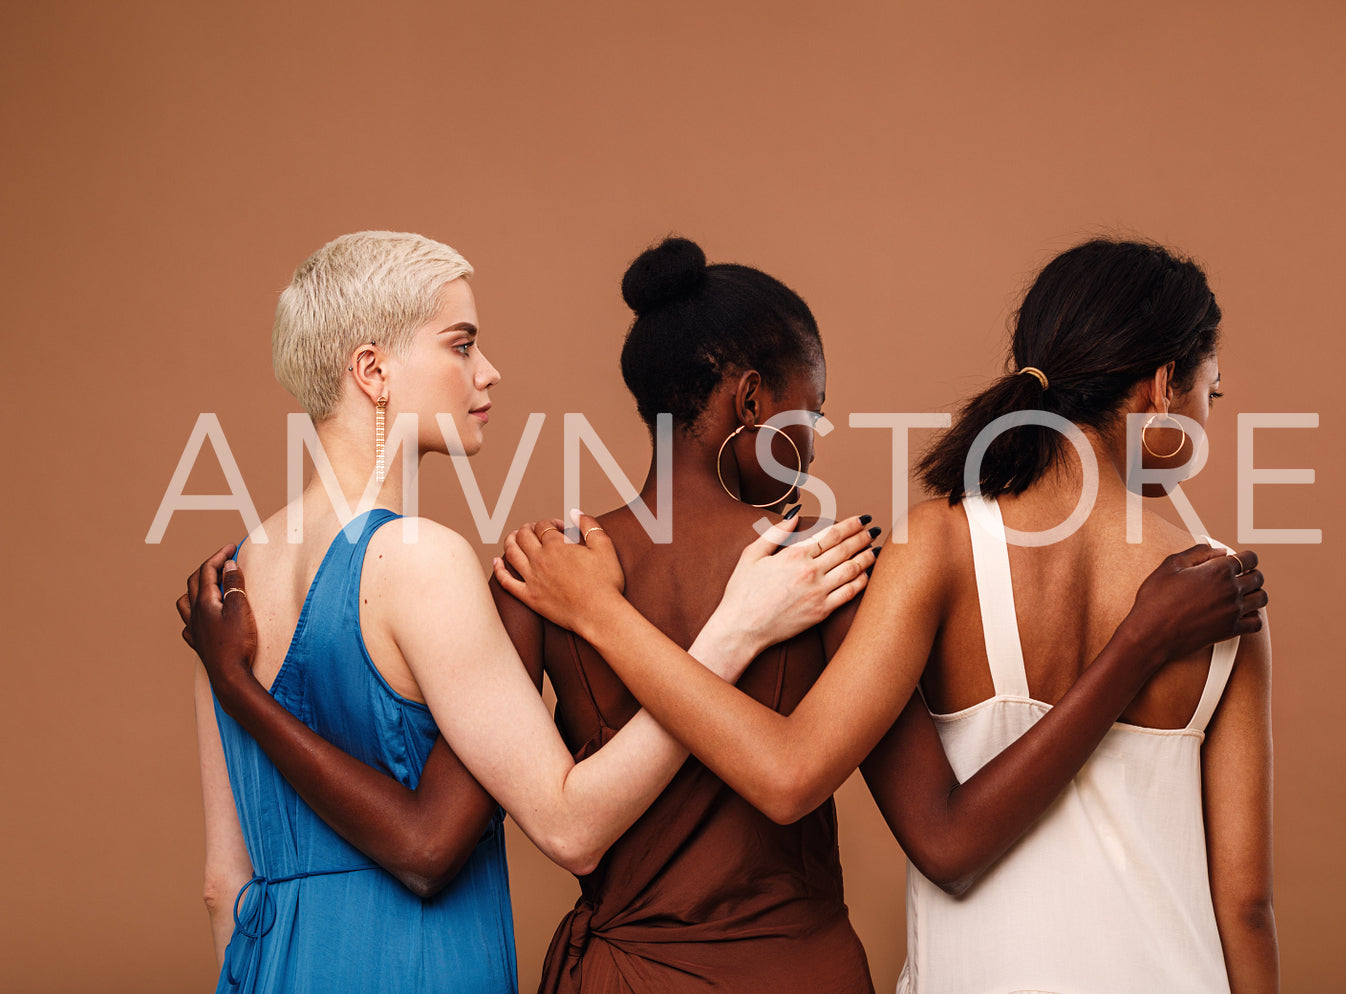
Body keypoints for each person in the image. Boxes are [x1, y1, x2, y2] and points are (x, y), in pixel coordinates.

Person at [498, 238, 1275, 992]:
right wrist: (1135, 643)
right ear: (1162, 384)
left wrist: (601, 612)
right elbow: (1244, 905)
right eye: (1208, 392)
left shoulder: (934, 545)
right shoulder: (1220, 590)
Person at [179, 231, 876, 994]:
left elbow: (223, 882)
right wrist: (731, 633)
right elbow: (560, 826)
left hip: (271, 965)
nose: (488, 371)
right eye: (461, 345)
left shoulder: (227, 584)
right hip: (410, 964)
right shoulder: (420, 558)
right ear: (372, 371)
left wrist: (238, 690)